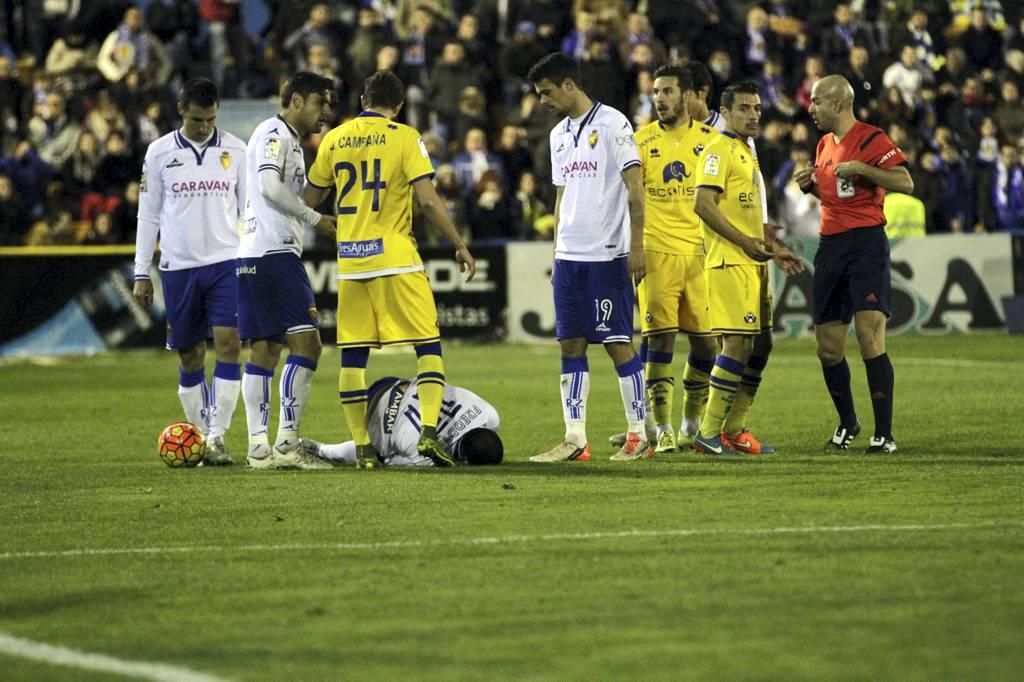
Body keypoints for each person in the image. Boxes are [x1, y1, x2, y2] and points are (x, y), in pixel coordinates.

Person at [304, 70, 476, 469]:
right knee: (428, 346)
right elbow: (429, 201)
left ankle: (362, 447)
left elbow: (310, 198)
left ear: (363, 97)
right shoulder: (404, 136)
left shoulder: (334, 139)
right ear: (397, 106)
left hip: (351, 263)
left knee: (353, 358)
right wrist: (458, 243)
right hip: (397, 260)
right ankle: (429, 433)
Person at [524, 53, 649, 463]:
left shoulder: (614, 123)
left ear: (568, 85)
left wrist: (638, 245)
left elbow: (635, 187)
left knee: (617, 343)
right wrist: (556, 251)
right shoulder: (558, 134)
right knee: (570, 344)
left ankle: (638, 434)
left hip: (607, 253)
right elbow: (561, 197)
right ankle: (575, 438)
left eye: (546, 93)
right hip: (570, 256)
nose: (542, 101)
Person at [132, 78, 247, 465]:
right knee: (190, 356)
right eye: (198, 120)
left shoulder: (236, 150)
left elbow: (249, 212)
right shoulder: (159, 153)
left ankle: (216, 437)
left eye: (211, 119)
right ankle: (197, 437)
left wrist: (250, 260)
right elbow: (147, 215)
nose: (204, 127)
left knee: (230, 344)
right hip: (179, 268)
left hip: (226, 263)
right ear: (181, 108)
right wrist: (140, 272)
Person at [797, 74, 913, 454]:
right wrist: (811, 187)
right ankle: (848, 422)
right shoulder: (823, 144)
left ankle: (884, 435)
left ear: (838, 104)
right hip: (830, 245)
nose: (810, 108)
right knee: (828, 347)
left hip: (866, 244)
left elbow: (905, 181)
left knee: (869, 336)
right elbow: (837, 193)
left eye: (816, 102)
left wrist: (865, 170)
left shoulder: (870, 138)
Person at [691, 81, 803, 455]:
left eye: (756, 108)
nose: (753, 115)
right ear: (724, 112)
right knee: (737, 344)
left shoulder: (746, 151)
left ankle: (735, 429)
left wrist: (775, 248)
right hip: (729, 261)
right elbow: (703, 205)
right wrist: (745, 243)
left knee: (762, 345)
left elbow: (752, 217)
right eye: (744, 108)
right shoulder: (717, 149)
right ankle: (708, 432)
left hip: (754, 261)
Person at [237, 71, 337, 470]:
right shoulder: (274, 133)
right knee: (307, 345)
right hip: (273, 253)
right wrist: (315, 219)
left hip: (256, 254)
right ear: (296, 100)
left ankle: (259, 448)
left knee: (265, 349)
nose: (326, 112)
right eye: (320, 103)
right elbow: (268, 187)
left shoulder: (289, 141)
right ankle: (286, 444)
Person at [631, 64, 720, 454]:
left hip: (701, 253)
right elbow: (629, 201)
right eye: (655, 92)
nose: (659, 98)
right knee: (660, 340)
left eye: (667, 91)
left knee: (707, 346)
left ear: (686, 96)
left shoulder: (711, 139)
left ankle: (690, 422)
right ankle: (662, 427)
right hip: (657, 251)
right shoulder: (639, 141)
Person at [299, 377, 503, 467]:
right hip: (373, 411)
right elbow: (389, 461)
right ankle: (320, 450)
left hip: (396, 384)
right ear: (464, 459)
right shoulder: (423, 451)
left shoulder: (487, 414)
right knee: (375, 455)